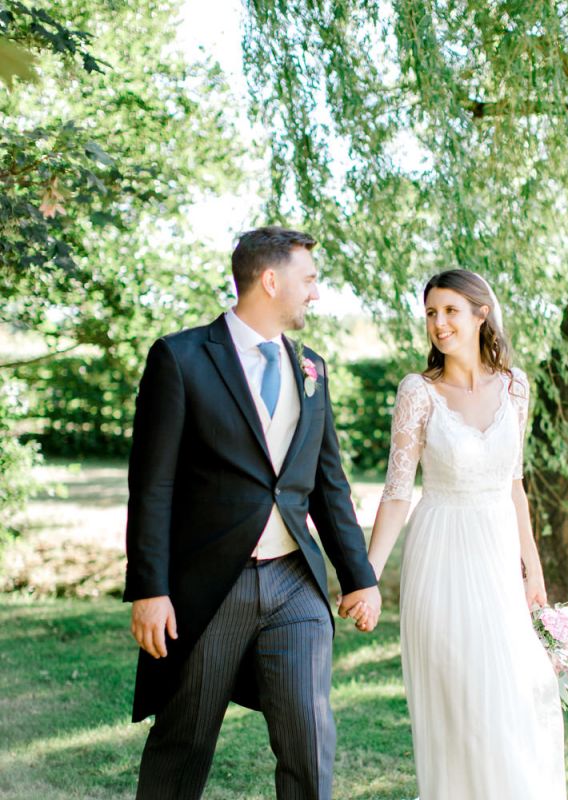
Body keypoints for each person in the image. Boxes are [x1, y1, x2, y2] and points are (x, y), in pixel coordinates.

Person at [124, 226, 381, 800]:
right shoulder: (181, 358)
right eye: (308, 279)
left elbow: (328, 483)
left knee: (310, 738)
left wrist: (359, 577)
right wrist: (150, 589)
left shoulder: (311, 368)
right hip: (211, 586)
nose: (315, 292)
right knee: (185, 740)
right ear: (270, 280)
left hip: (295, 583)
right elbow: (152, 485)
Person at [362, 269, 567, 799]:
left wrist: (533, 572)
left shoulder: (515, 387)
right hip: (442, 559)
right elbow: (397, 492)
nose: (439, 323)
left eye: (451, 310)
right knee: (465, 707)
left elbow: (515, 486)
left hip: (498, 559)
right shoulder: (418, 392)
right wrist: (367, 577)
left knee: (521, 695)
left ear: (481, 314)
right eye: (431, 313)